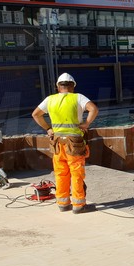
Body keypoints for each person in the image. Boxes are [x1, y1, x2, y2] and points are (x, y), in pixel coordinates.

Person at [32, 73, 99, 214]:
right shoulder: (78, 97)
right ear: (73, 86)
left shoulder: (50, 99)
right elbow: (93, 109)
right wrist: (86, 124)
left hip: (57, 143)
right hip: (74, 143)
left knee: (61, 173)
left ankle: (63, 204)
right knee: (76, 173)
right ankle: (78, 205)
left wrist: (48, 129)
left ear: (58, 86)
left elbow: (35, 114)